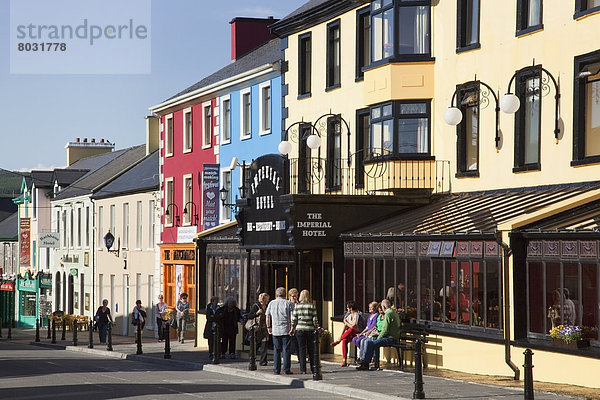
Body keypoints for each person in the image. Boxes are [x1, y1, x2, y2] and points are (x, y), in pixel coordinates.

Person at [356, 299, 401, 371]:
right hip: (392, 336)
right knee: (369, 342)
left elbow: (385, 330)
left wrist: (379, 338)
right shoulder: (393, 312)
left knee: (371, 343)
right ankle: (365, 362)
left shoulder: (388, 314)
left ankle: (365, 363)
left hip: (390, 338)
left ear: (383, 306)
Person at [290, 289, 319, 374]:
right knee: (311, 350)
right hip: (310, 329)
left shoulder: (297, 306)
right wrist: (317, 327)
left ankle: (303, 369)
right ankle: (313, 368)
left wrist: (292, 328)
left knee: (301, 350)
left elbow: (294, 319)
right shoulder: (311, 306)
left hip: (300, 329)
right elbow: (315, 319)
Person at [266, 287, 293, 375]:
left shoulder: (271, 303)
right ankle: (286, 369)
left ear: (276, 294)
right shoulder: (288, 303)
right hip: (286, 329)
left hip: (275, 329)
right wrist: (293, 328)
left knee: (276, 350)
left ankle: (276, 369)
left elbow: (267, 316)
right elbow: (292, 317)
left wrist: (268, 327)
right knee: (286, 349)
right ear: (285, 294)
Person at [331, 300, 360, 367]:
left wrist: (346, 322)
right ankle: (344, 360)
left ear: (351, 308)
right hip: (351, 333)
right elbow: (345, 326)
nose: (347, 309)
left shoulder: (357, 315)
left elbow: (353, 326)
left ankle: (338, 341)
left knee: (351, 329)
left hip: (358, 332)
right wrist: (341, 335)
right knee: (344, 340)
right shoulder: (349, 315)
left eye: (348, 308)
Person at [247, 292, 270, 366]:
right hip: (257, 329)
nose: (268, 301)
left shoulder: (267, 307)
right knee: (256, 345)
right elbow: (249, 316)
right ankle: (252, 358)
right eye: (267, 299)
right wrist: (257, 313)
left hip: (265, 329)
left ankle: (263, 361)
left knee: (264, 345)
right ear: (263, 299)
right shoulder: (256, 306)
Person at [288, 288, 299, 356]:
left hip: (297, 325)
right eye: (293, 296)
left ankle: (297, 353)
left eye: (296, 296)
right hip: (289, 324)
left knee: (297, 341)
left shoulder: (299, 304)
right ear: (289, 296)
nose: (295, 297)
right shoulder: (287, 304)